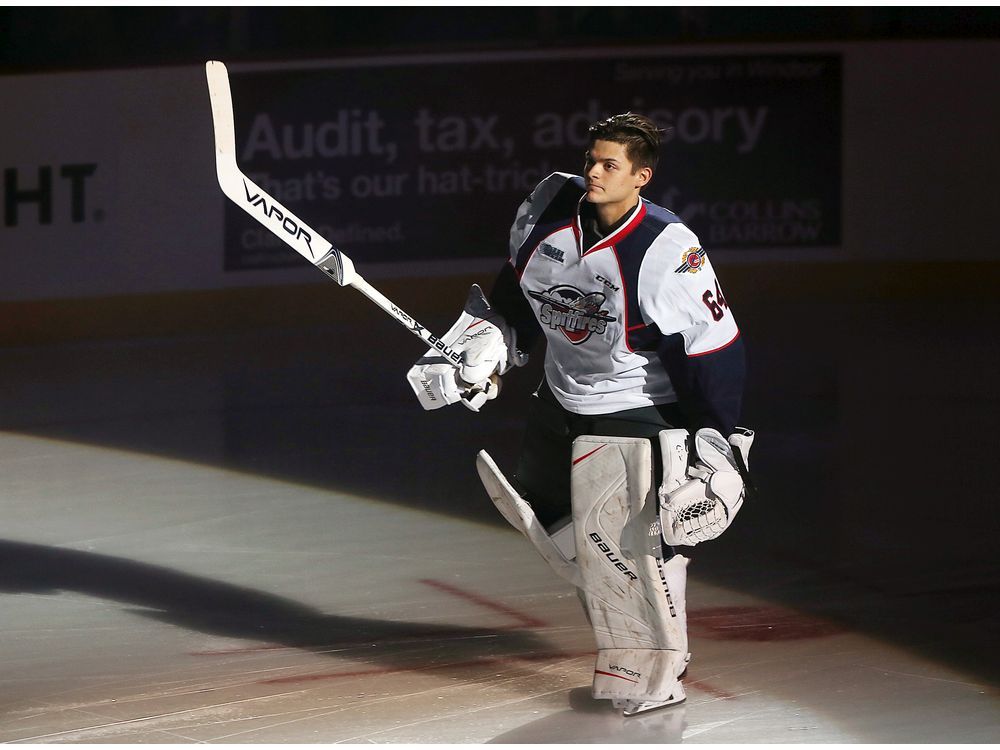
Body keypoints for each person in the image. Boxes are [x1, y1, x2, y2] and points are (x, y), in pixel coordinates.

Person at [406, 113, 751, 716]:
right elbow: (513, 299)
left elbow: (712, 349)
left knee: (619, 537)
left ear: (641, 177)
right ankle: (641, 587)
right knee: (555, 523)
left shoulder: (667, 250)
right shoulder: (547, 211)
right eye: (591, 159)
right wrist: (475, 351)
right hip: (562, 394)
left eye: (609, 165)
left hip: (635, 406)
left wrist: (716, 441)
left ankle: (654, 663)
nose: (593, 172)